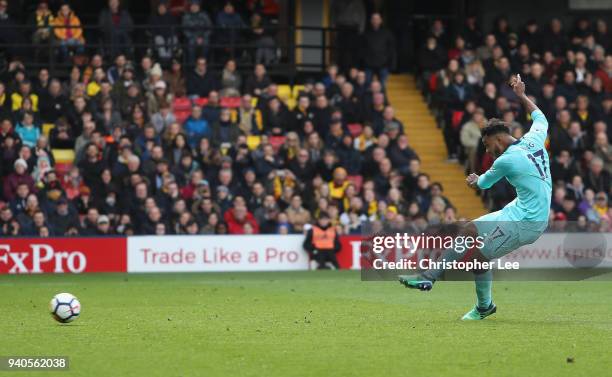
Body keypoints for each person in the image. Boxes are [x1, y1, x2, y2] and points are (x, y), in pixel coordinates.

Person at [399, 74, 552, 320]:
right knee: (468, 230)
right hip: (519, 209)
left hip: (528, 221)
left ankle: (483, 307)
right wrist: (522, 96)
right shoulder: (534, 140)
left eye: (488, 144)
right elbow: (540, 117)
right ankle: (429, 278)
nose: (487, 150)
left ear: (499, 139)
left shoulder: (506, 160)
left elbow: (484, 182)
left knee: (478, 258)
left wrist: (474, 180)